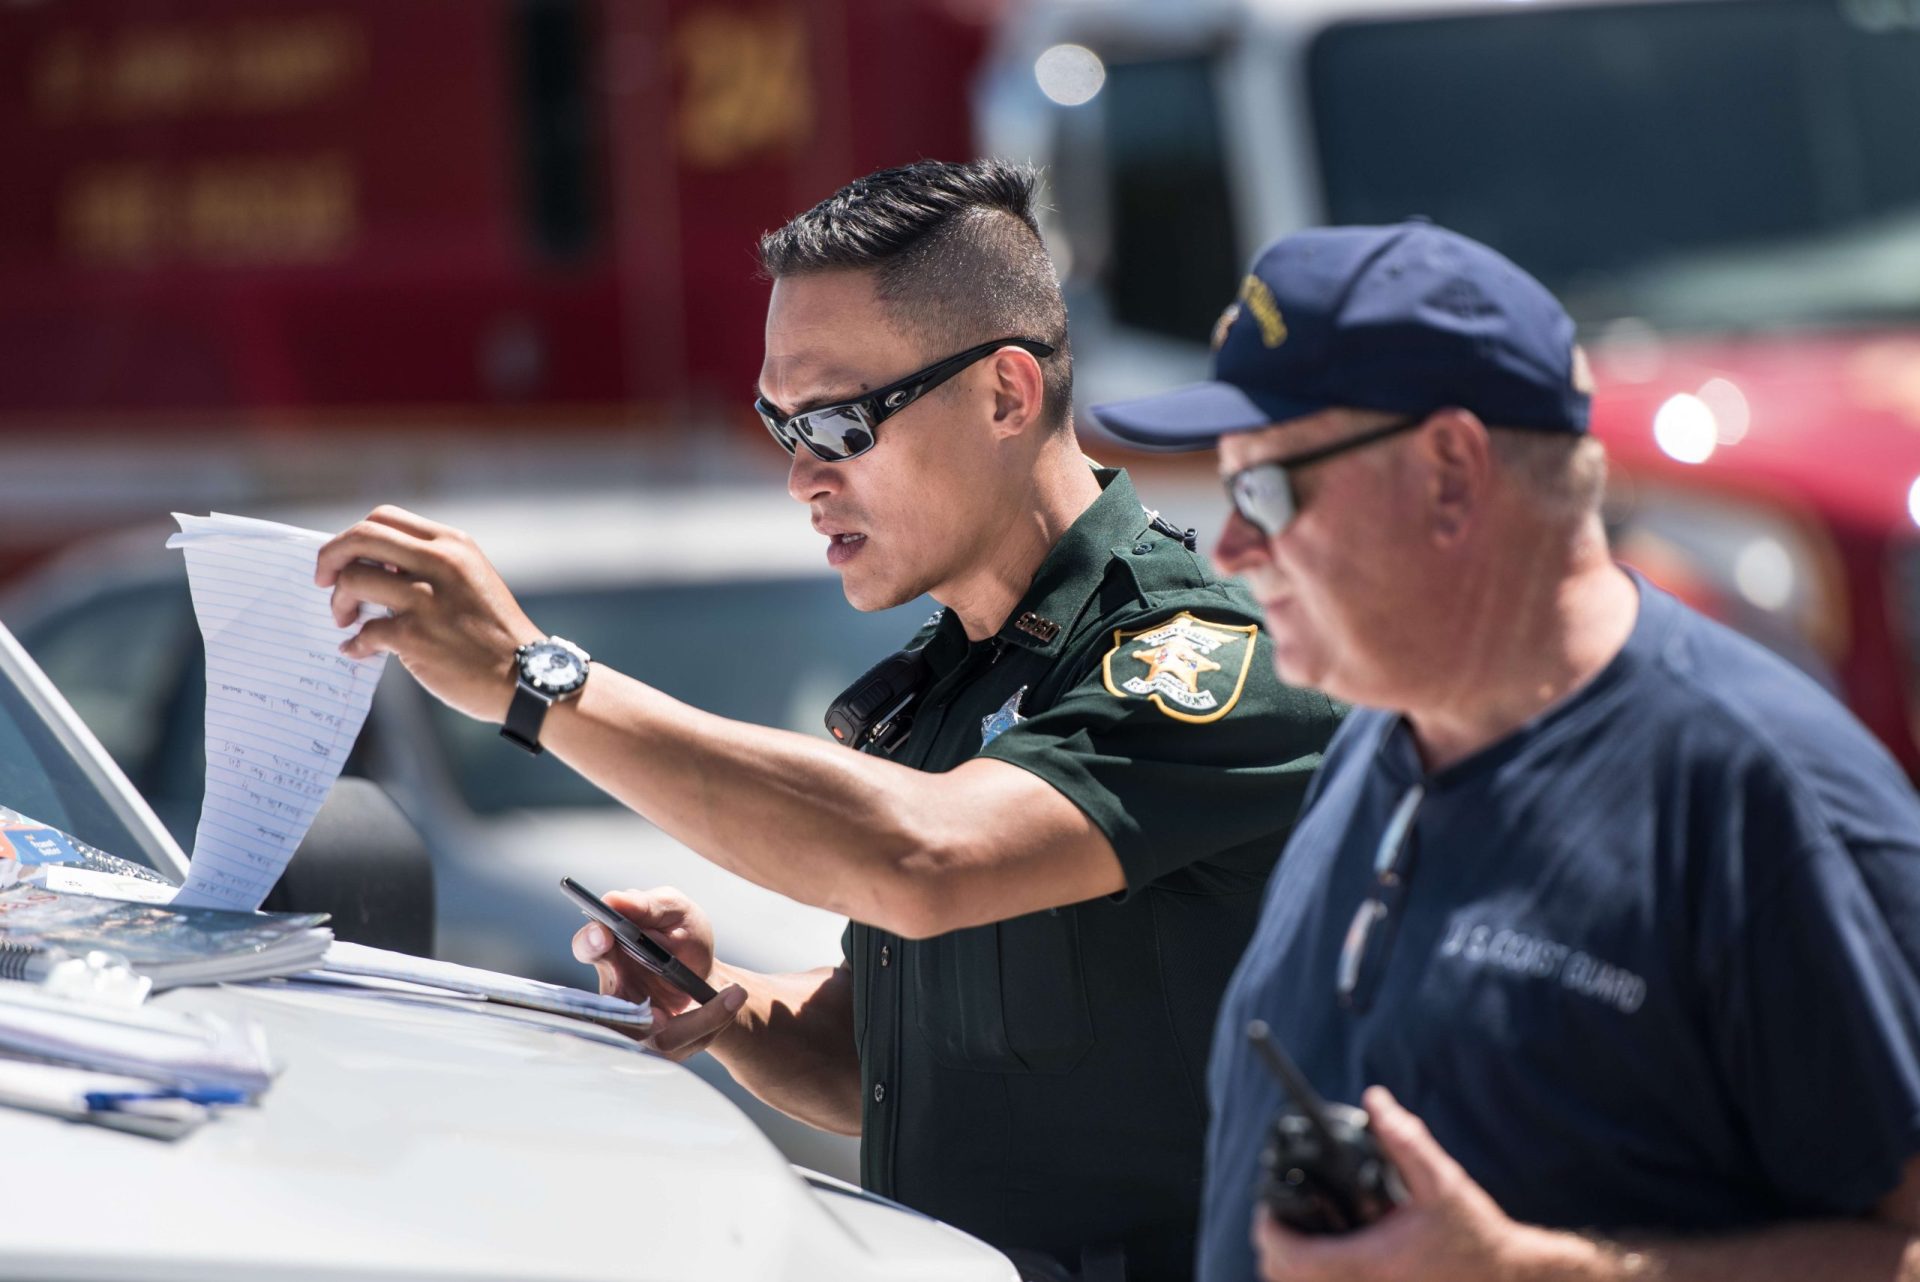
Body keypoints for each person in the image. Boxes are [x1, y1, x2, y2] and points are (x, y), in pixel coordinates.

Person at [314, 159, 1341, 1279]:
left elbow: (923, 855)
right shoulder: (944, 686)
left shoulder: (1204, 658)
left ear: (1007, 393)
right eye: (780, 423)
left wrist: (539, 682)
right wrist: (727, 1003)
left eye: (842, 423)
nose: (803, 476)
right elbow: (881, 1066)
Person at [1089, 219, 1920, 1282]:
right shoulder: (1378, 737)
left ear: (1449, 471)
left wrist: (1528, 1272)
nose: (1237, 546)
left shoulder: (1755, 789)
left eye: (1264, 486)